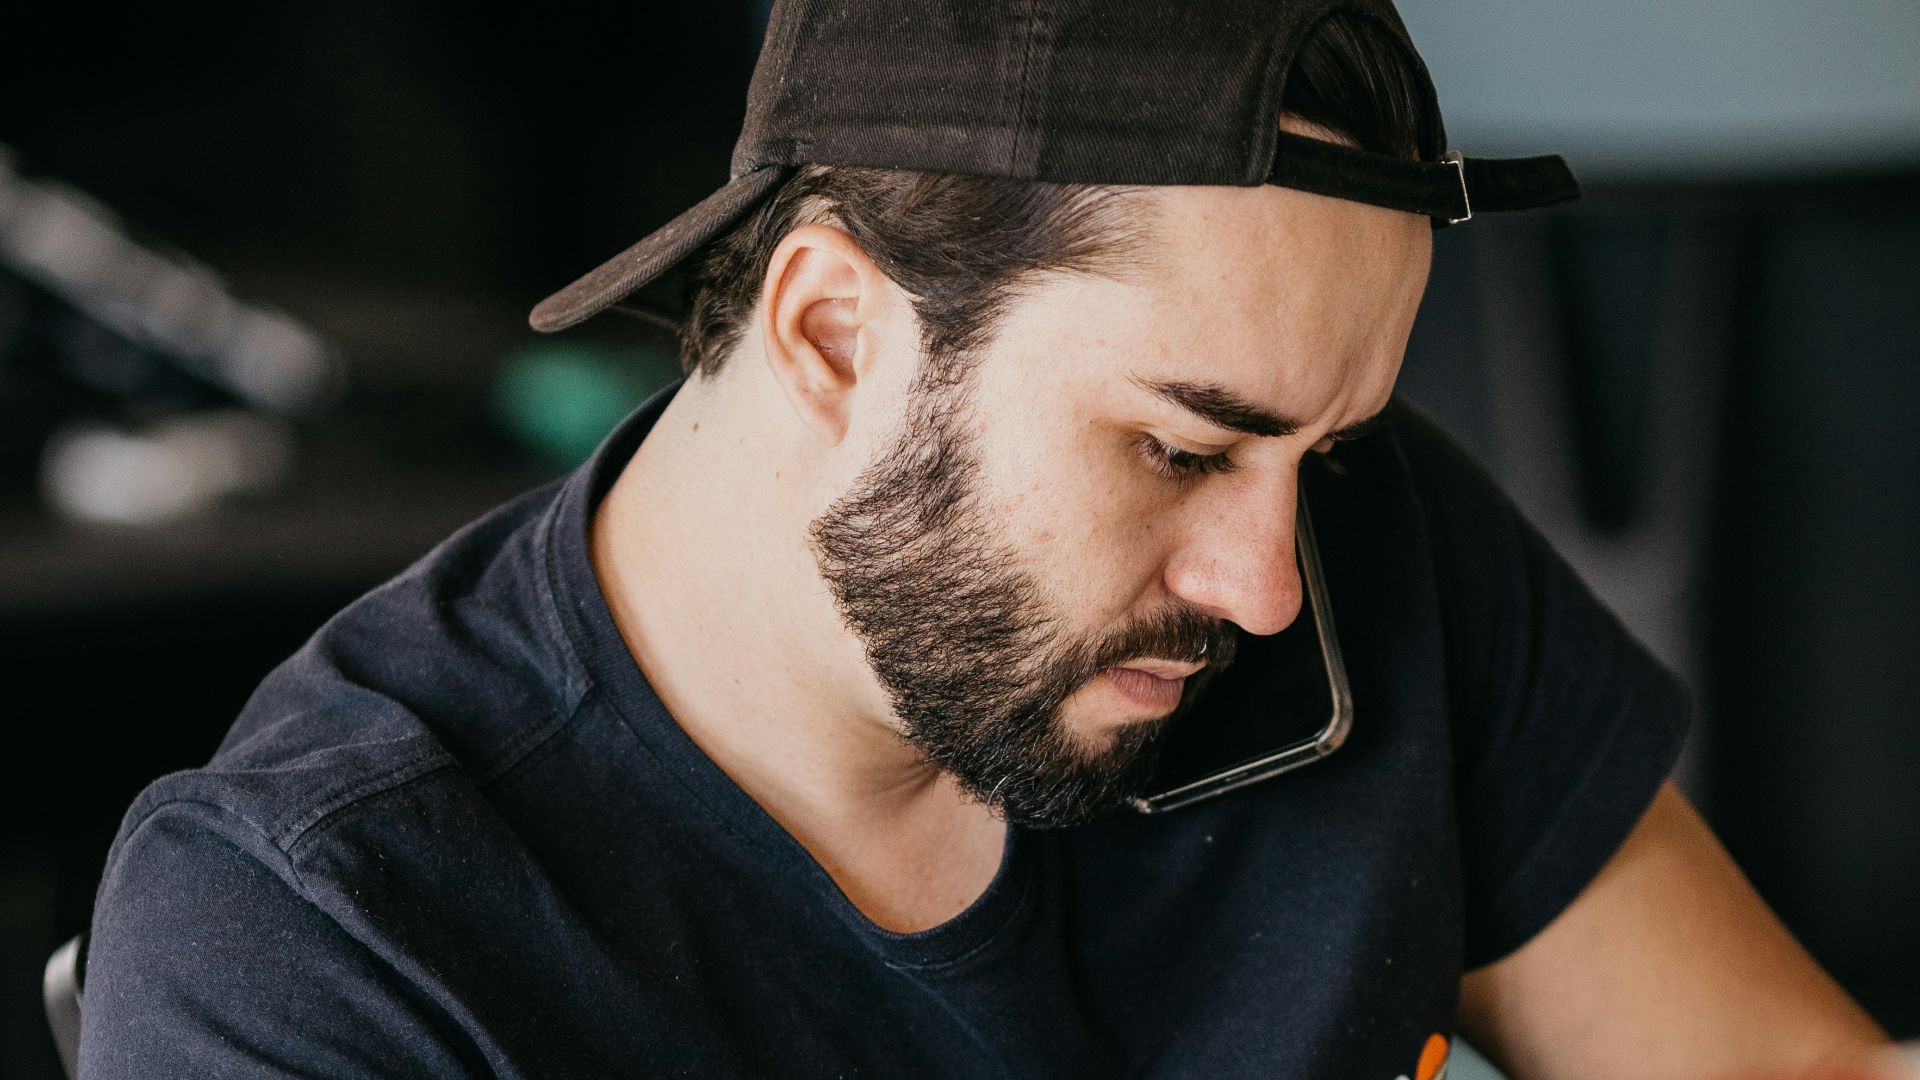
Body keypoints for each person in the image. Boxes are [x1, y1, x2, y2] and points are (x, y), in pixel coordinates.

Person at [79, 2, 1904, 1078]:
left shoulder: (1369, 552)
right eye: (1184, 449)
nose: (1270, 586)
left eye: (1325, 452)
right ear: (832, 333)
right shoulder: (329, 932)